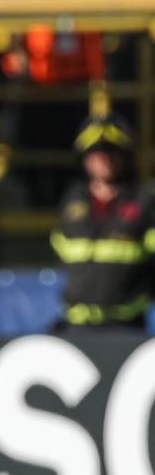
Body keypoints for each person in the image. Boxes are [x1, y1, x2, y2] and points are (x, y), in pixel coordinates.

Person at [50, 111, 155, 333]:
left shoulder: (145, 202)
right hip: (76, 328)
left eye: (111, 151)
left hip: (125, 329)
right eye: (95, 152)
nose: (103, 158)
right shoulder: (72, 202)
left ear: (125, 155)